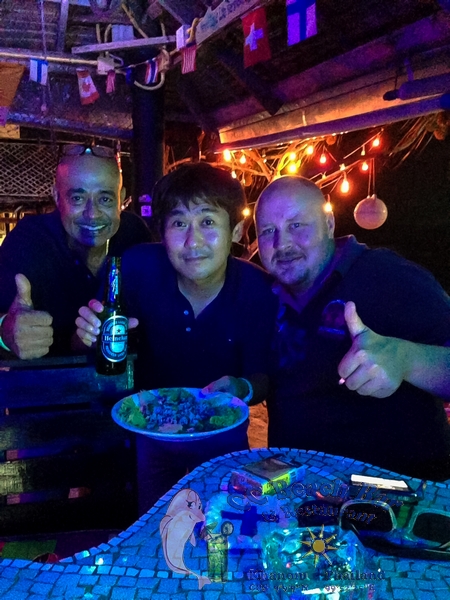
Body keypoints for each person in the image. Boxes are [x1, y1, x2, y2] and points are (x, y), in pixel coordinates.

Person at [76, 162, 277, 511]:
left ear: (236, 230)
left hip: (222, 432)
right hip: (149, 432)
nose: (192, 241)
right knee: (153, 524)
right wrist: (88, 335)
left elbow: (263, 376)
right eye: (179, 223)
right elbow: (91, 345)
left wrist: (241, 388)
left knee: (221, 524)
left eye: (208, 222)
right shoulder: (136, 268)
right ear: (162, 232)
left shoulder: (258, 289)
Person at [252, 175, 450, 482]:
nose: (283, 244)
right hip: (299, 492)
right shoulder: (264, 296)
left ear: (329, 224)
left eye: (297, 225)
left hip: (397, 494)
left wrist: (406, 358)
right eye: (268, 231)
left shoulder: (386, 275)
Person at [0, 145, 152, 358]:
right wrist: (4, 333)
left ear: (121, 198)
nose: (92, 214)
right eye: (77, 199)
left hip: (124, 377)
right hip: (46, 377)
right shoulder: (28, 240)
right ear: (56, 196)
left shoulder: (135, 234)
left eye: (105, 199)